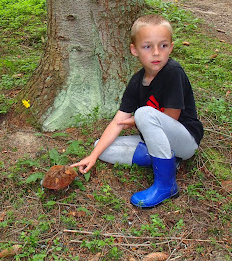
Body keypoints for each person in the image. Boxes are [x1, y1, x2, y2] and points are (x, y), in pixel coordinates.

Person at [71, 14, 204, 208]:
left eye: (163, 46)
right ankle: (169, 160)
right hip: (160, 140)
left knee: (143, 113)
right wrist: (92, 155)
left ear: (171, 47)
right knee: (101, 147)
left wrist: (136, 120)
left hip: (185, 139)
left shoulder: (173, 72)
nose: (156, 53)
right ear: (135, 50)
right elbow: (117, 122)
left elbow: (171, 118)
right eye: (148, 46)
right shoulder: (136, 82)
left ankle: (167, 185)